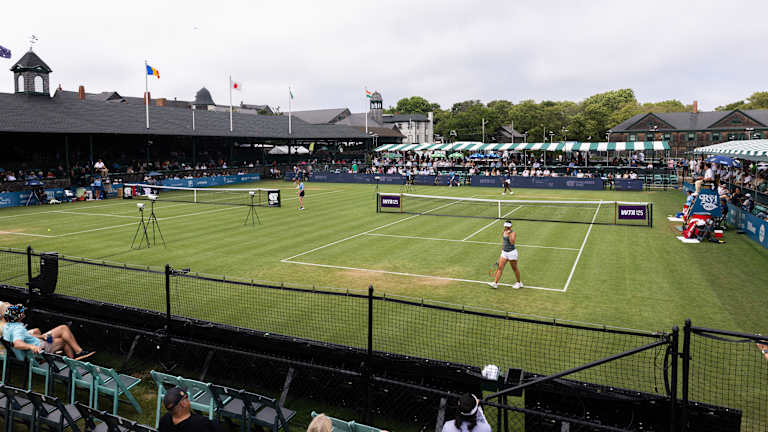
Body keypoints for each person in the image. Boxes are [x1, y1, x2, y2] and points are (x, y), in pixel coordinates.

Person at [1, 304, 94, 361]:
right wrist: (32, 346)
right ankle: (73, 363)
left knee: (62, 329)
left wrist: (41, 336)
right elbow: (17, 344)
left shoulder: (9, 326)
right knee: (64, 340)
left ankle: (78, 353)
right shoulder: (17, 329)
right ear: (18, 317)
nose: (23, 312)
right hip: (39, 348)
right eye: (21, 312)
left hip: (39, 342)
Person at [488, 221, 522, 289]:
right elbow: (503, 241)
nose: (506, 227)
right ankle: (495, 283)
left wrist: (509, 235)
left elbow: (512, 242)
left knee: (514, 268)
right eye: (505, 226)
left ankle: (519, 283)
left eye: (507, 226)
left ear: (510, 226)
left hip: (512, 253)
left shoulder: (513, 233)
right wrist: (502, 251)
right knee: (500, 268)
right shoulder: (503, 231)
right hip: (504, 253)